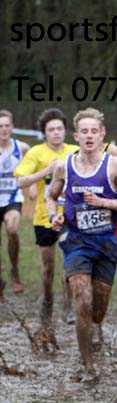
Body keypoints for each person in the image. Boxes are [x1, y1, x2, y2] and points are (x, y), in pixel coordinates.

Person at [47, 108, 117, 381]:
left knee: (98, 307)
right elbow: (51, 196)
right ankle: (86, 364)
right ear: (76, 136)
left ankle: (96, 328)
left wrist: (104, 203)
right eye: (83, 132)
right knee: (83, 302)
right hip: (75, 241)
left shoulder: (115, 165)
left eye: (93, 131)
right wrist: (54, 215)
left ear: (102, 135)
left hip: (105, 243)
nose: (88, 136)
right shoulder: (64, 165)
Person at [14, 108, 79, 346]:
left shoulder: (75, 151)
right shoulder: (35, 153)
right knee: (48, 268)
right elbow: (21, 180)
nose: (56, 133)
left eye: (59, 129)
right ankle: (48, 300)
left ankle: (68, 306)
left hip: (70, 218)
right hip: (44, 218)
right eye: (51, 130)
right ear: (44, 133)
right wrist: (46, 171)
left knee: (69, 266)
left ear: (65, 131)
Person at [0, 110, 30, 300]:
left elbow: (33, 165)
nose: (3, 129)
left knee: (12, 229)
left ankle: (15, 270)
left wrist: (33, 185)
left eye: (6, 125)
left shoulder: (23, 147)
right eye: (0, 126)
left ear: (12, 127)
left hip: (12, 198)